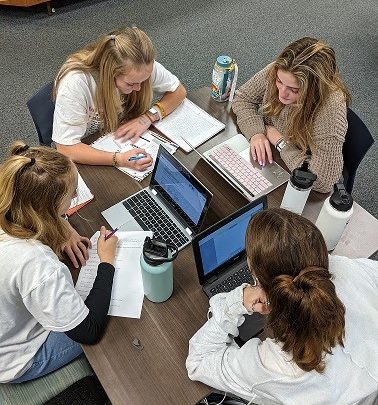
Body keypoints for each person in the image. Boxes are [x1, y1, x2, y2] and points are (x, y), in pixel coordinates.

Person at [186, 208, 378, 404]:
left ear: (257, 277)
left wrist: (238, 300)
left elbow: (198, 361)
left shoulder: (277, 366)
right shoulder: (354, 270)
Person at [0, 142, 118, 383]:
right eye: (72, 193)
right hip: (16, 359)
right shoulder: (36, 263)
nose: (76, 196)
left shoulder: (11, 191)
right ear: (47, 209)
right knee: (115, 323)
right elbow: (89, 330)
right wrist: (106, 262)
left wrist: (64, 228)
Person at [52, 27, 186, 170]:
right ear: (109, 72)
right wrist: (119, 159)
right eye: (131, 83)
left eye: (143, 81)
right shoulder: (76, 83)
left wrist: (147, 118)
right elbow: (66, 148)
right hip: (84, 146)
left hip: (114, 134)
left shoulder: (141, 65)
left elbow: (179, 91)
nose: (138, 88)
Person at [232, 37, 351, 193]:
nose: (282, 94)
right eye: (279, 82)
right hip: (275, 157)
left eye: (294, 90)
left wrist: (280, 141)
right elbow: (242, 98)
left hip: (298, 171)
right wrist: (256, 134)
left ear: (314, 90)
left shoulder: (330, 111)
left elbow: (322, 181)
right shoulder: (282, 70)